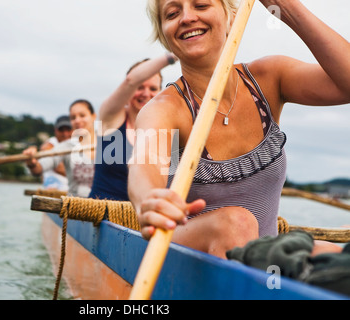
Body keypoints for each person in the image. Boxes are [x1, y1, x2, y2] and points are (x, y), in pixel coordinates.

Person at [128, 0, 349, 259]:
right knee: (236, 222)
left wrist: (286, 7)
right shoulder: (164, 109)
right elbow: (144, 166)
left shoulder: (268, 78)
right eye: (172, 14)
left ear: (231, 18)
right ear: (165, 35)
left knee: (330, 253)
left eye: (200, 5)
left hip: (265, 264)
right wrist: (148, 202)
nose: (187, 18)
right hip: (186, 260)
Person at [88, 53, 178, 201]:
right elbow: (131, 80)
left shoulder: (168, 127)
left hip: (144, 217)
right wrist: (175, 55)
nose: (146, 93)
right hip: (101, 215)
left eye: (153, 88)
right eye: (140, 86)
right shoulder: (110, 117)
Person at [24, 99, 96, 198]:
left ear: (93, 116)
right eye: (73, 117)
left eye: (82, 115)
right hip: (76, 207)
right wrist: (32, 163)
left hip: (105, 206)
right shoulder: (66, 146)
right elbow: (39, 169)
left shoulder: (108, 144)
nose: (77, 120)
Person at [39, 115, 73, 191]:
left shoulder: (77, 145)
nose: (65, 134)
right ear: (55, 131)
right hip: (54, 190)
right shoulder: (48, 146)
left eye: (68, 130)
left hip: (71, 192)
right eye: (61, 130)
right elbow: (59, 168)